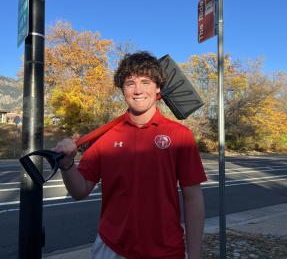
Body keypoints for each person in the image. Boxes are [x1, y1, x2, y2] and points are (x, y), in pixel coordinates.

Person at [54, 51, 207, 259]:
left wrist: (195, 254)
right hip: (112, 248)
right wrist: (67, 164)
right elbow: (80, 191)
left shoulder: (180, 135)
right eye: (129, 83)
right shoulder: (104, 137)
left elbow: (193, 199)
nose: (138, 90)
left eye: (145, 82)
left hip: (167, 250)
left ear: (158, 88)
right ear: (123, 90)